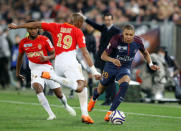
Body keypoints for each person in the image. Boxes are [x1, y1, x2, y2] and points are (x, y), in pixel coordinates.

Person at [8, 13, 101, 124]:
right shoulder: (78, 31)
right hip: (69, 61)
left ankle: (84, 115)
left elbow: (36, 23)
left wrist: (17, 26)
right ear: (80, 23)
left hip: (57, 62)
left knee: (82, 87)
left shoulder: (56, 26)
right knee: (80, 86)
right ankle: (54, 78)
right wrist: (94, 71)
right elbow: (85, 52)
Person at [87, 24, 160, 121]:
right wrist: (113, 60)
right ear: (123, 33)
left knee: (125, 84)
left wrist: (151, 64)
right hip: (111, 66)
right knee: (101, 89)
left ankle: (110, 112)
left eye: (131, 34)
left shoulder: (138, 41)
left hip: (124, 68)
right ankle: (94, 98)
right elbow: (103, 56)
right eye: (127, 34)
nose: (129, 37)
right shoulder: (115, 40)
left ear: (134, 34)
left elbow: (145, 53)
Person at [14, 21, 76, 120]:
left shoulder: (44, 39)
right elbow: (19, 58)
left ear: (38, 28)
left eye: (35, 28)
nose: (33, 30)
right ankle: (51, 114)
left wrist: (46, 58)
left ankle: (66, 105)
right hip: (34, 69)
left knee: (59, 94)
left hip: (47, 68)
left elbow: (54, 53)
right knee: (37, 87)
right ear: (27, 29)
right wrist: (18, 72)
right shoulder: (23, 42)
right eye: (31, 28)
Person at [79, 12, 121, 105]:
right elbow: (94, 24)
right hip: (102, 58)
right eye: (106, 19)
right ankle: (108, 99)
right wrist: (84, 18)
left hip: (111, 58)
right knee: (105, 79)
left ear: (112, 20)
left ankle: (112, 99)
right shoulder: (103, 28)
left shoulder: (117, 31)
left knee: (110, 79)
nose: (107, 21)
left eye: (109, 19)